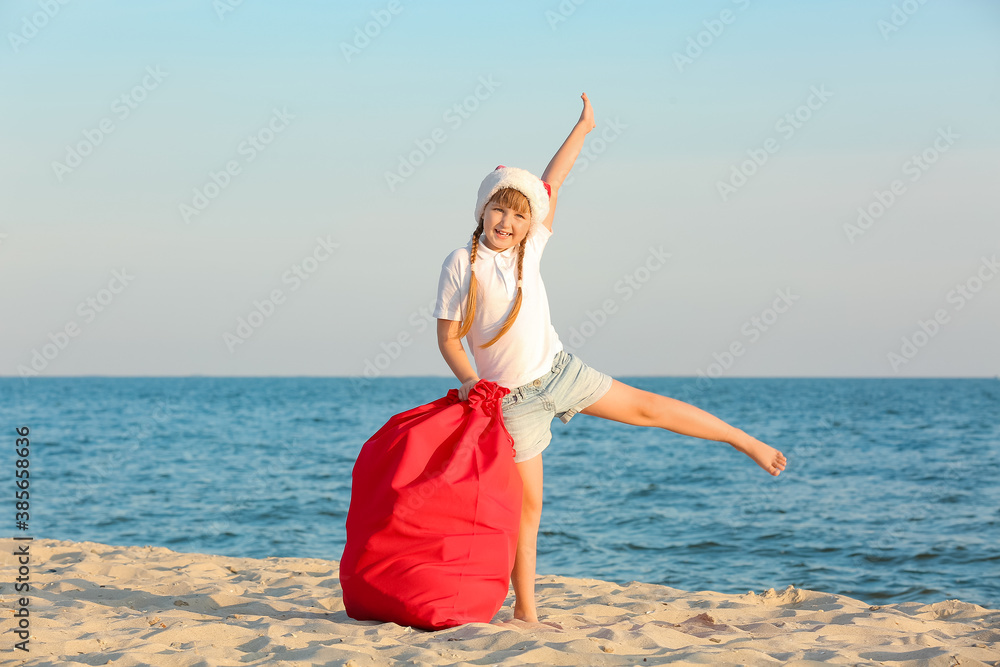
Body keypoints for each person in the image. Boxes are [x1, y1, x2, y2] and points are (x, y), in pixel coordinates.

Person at [433, 92, 787, 626]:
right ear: (481, 210)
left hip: (560, 372)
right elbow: (449, 340)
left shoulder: (532, 248)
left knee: (649, 408)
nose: (506, 220)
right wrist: (466, 383)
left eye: (518, 214)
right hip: (511, 404)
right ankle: (526, 614)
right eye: (498, 208)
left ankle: (745, 440)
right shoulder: (463, 262)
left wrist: (584, 128)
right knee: (528, 514)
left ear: (532, 225)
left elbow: (555, 179)